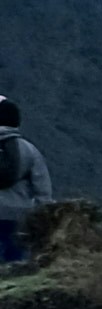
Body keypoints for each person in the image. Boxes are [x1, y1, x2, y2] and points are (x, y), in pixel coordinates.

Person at [0, 95, 47, 267]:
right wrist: (42, 218)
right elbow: (43, 190)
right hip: (20, 216)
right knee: (14, 262)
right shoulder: (30, 150)